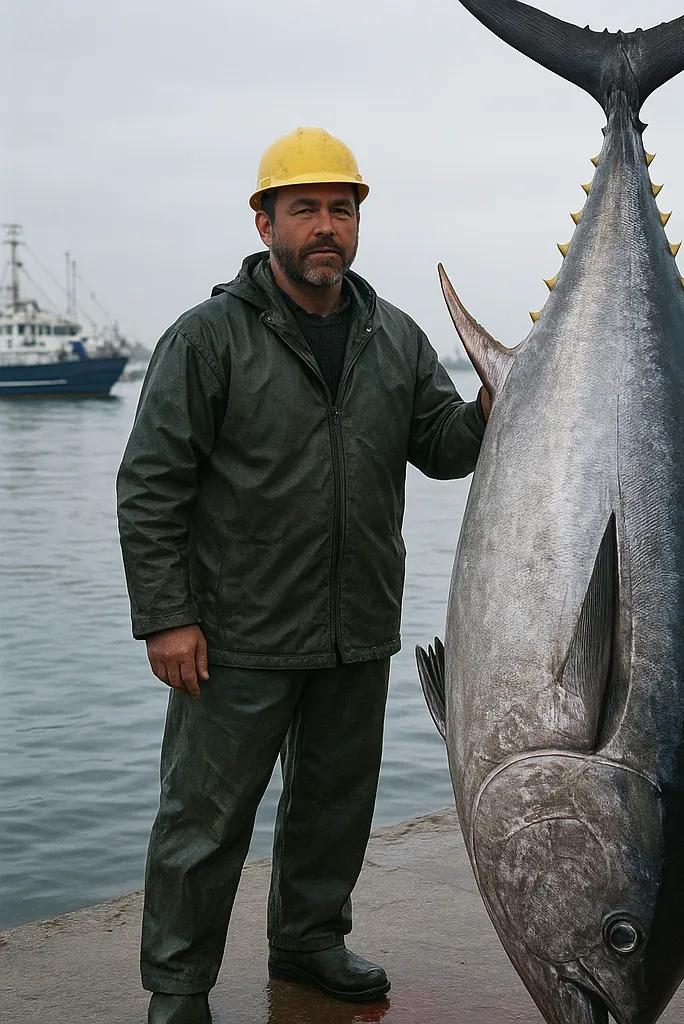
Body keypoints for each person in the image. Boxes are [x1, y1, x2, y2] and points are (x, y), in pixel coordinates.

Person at [117, 127, 489, 1024]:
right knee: (203, 824)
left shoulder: (395, 338)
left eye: (342, 209)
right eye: (306, 209)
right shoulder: (207, 339)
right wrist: (168, 617)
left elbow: (442, 451)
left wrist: (495, 399)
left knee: (334, 806)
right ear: (263, 221)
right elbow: (151, 483)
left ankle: (310, 940)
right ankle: (178, 987)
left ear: (359, 221)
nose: (327, 226)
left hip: (355, 628)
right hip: (233, 634)